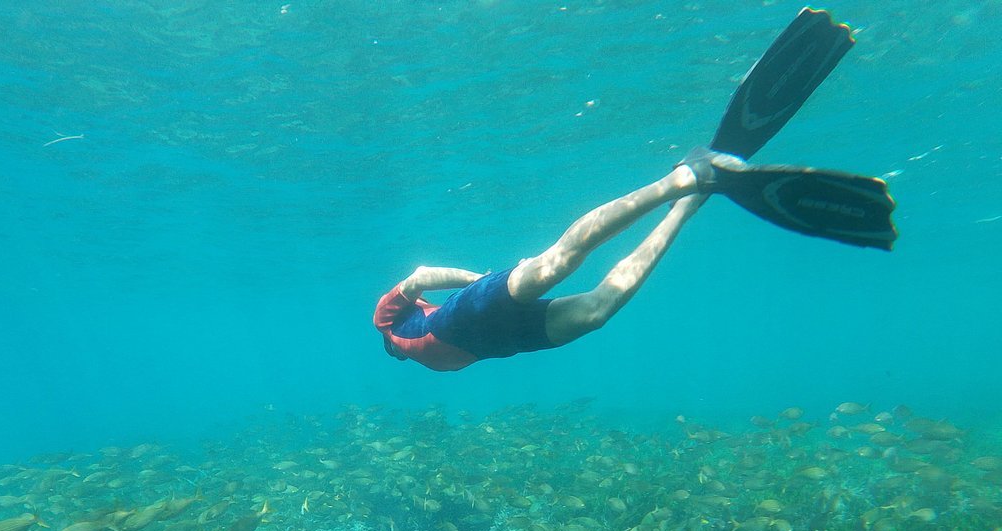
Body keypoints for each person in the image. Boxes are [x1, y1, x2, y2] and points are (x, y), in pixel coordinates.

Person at [374, 8, 897, 373]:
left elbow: (421, 276)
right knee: (598, 311)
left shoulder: (388, 322)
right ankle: (690, 201)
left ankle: (680, 178)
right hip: (505, 341)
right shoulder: (426, 364)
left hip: (467, 311)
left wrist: (481, 278)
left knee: (558, 263)